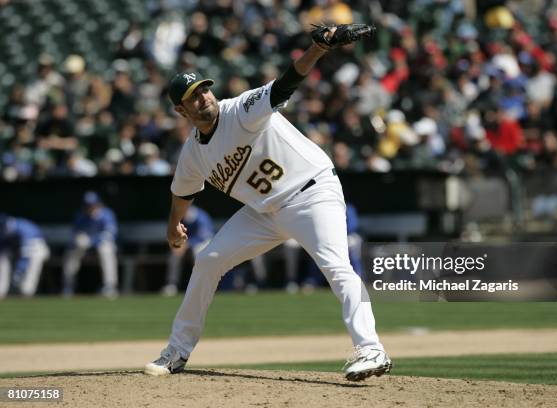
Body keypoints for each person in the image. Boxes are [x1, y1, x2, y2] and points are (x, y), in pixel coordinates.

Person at [145, 26, 391, 381]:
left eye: (204, 89)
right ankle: (177, 352)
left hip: (311, 192)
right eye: (193, 96)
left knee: (336, 267)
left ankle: (371, 349)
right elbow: (183, 191)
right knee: (209, 260)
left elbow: (285, 84)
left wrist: (317, 49)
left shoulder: (240, 110)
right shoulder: (193, 154)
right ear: (180, 110)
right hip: (265, 212)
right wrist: (173, 225)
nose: (203, 98)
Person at [62, 191, 119, 298]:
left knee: (106, 248)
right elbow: (74, 234)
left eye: (92, 204)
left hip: (101, 245)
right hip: (85, 249)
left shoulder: (106, 214)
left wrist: (92, 241)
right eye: (87, 205)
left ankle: (110, 286)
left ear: (98, 203)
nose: (90, 207)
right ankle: (69, 285)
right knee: (73, 250)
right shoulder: (80, 215)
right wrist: (80, 240)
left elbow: (111, 235)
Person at [161, 206, 214, 296]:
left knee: (197, 253)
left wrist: (187, 244)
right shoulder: (179, 218)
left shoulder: (200, 217)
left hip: (202, 244)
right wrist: (175, 243)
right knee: (174, 255)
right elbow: (173, 234)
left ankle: (202, 285)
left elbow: (204, 237)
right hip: (186, 245)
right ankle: (172, 284)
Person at [0, 214, 50, 298]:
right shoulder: (6, 230)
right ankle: (2, 290)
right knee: (2, 257)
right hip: (18, 250)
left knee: (33, 261)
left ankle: (27, 292)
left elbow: (26, 254)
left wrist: (19, 270)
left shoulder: (24, 229)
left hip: (36, 248)